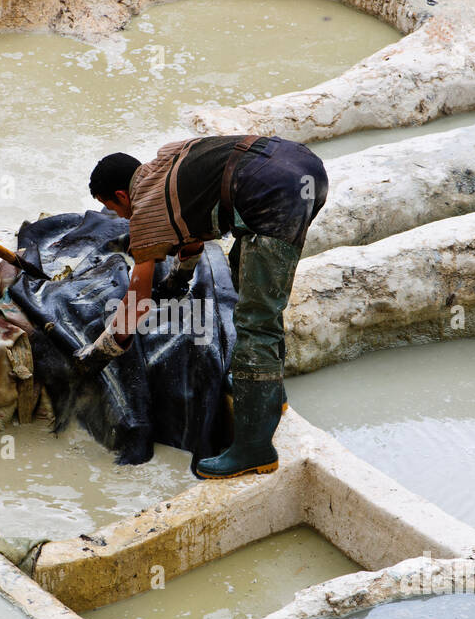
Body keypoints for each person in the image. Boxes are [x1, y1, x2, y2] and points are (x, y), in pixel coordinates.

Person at [79, 135, 328, 478]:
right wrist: (177, 280)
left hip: (275, 194)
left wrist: (99, 352)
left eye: (116, 209)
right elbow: (192, 233)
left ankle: (254, 449)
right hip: (303, 168)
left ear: (122, 196)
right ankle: (270, 395)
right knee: (251, 281)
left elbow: (135, 301)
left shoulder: (145, 210)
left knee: (256, 319)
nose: (121, 217)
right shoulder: (168, 162)